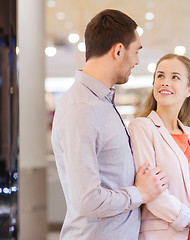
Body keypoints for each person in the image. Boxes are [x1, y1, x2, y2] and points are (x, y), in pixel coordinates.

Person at [51, 9, 168, 240]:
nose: (136, 61)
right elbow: (87, 200)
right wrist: (140, 193)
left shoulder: (100, 103)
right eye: (136, 52)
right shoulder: (82, 110)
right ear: (118, 50)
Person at [128, 53, 190, 240]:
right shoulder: (142, 127)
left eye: (175, 77)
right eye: (160, 76)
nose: (164, 82)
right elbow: (153, 195)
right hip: (166, 234)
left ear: (189, 90)